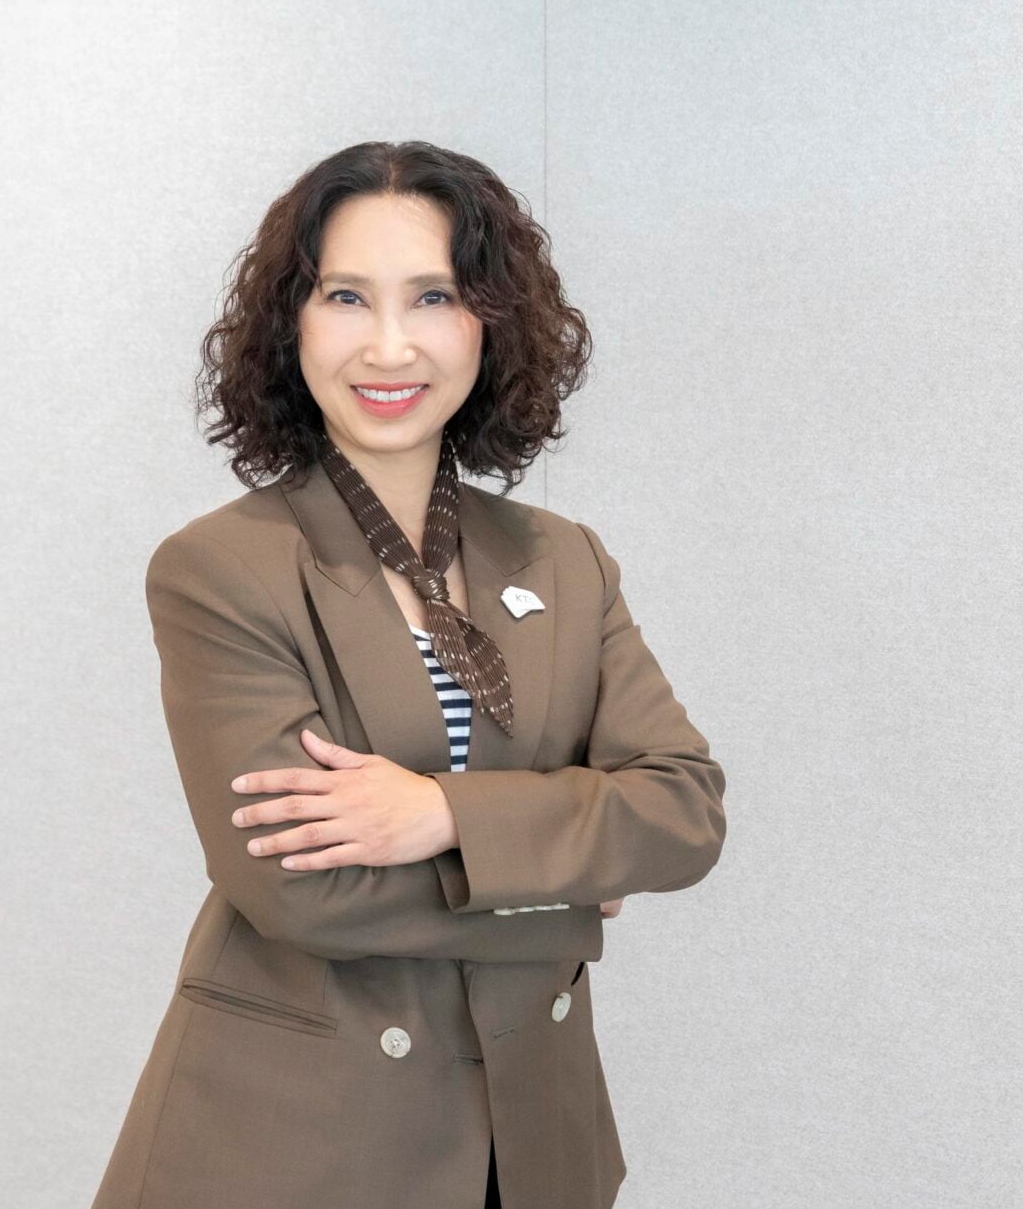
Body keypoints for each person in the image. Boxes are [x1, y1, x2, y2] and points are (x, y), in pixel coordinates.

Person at [91, 141, 727, 1209]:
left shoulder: (563, 559)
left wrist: (439, 814)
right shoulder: (222, 568)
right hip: (299, 1153)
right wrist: (568, 884)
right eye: (347, 296)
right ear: (292, 324)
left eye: (433, 296)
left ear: (491, 323)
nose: (389, 345)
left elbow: (682, 810)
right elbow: (303, 889)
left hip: (531, 1146)